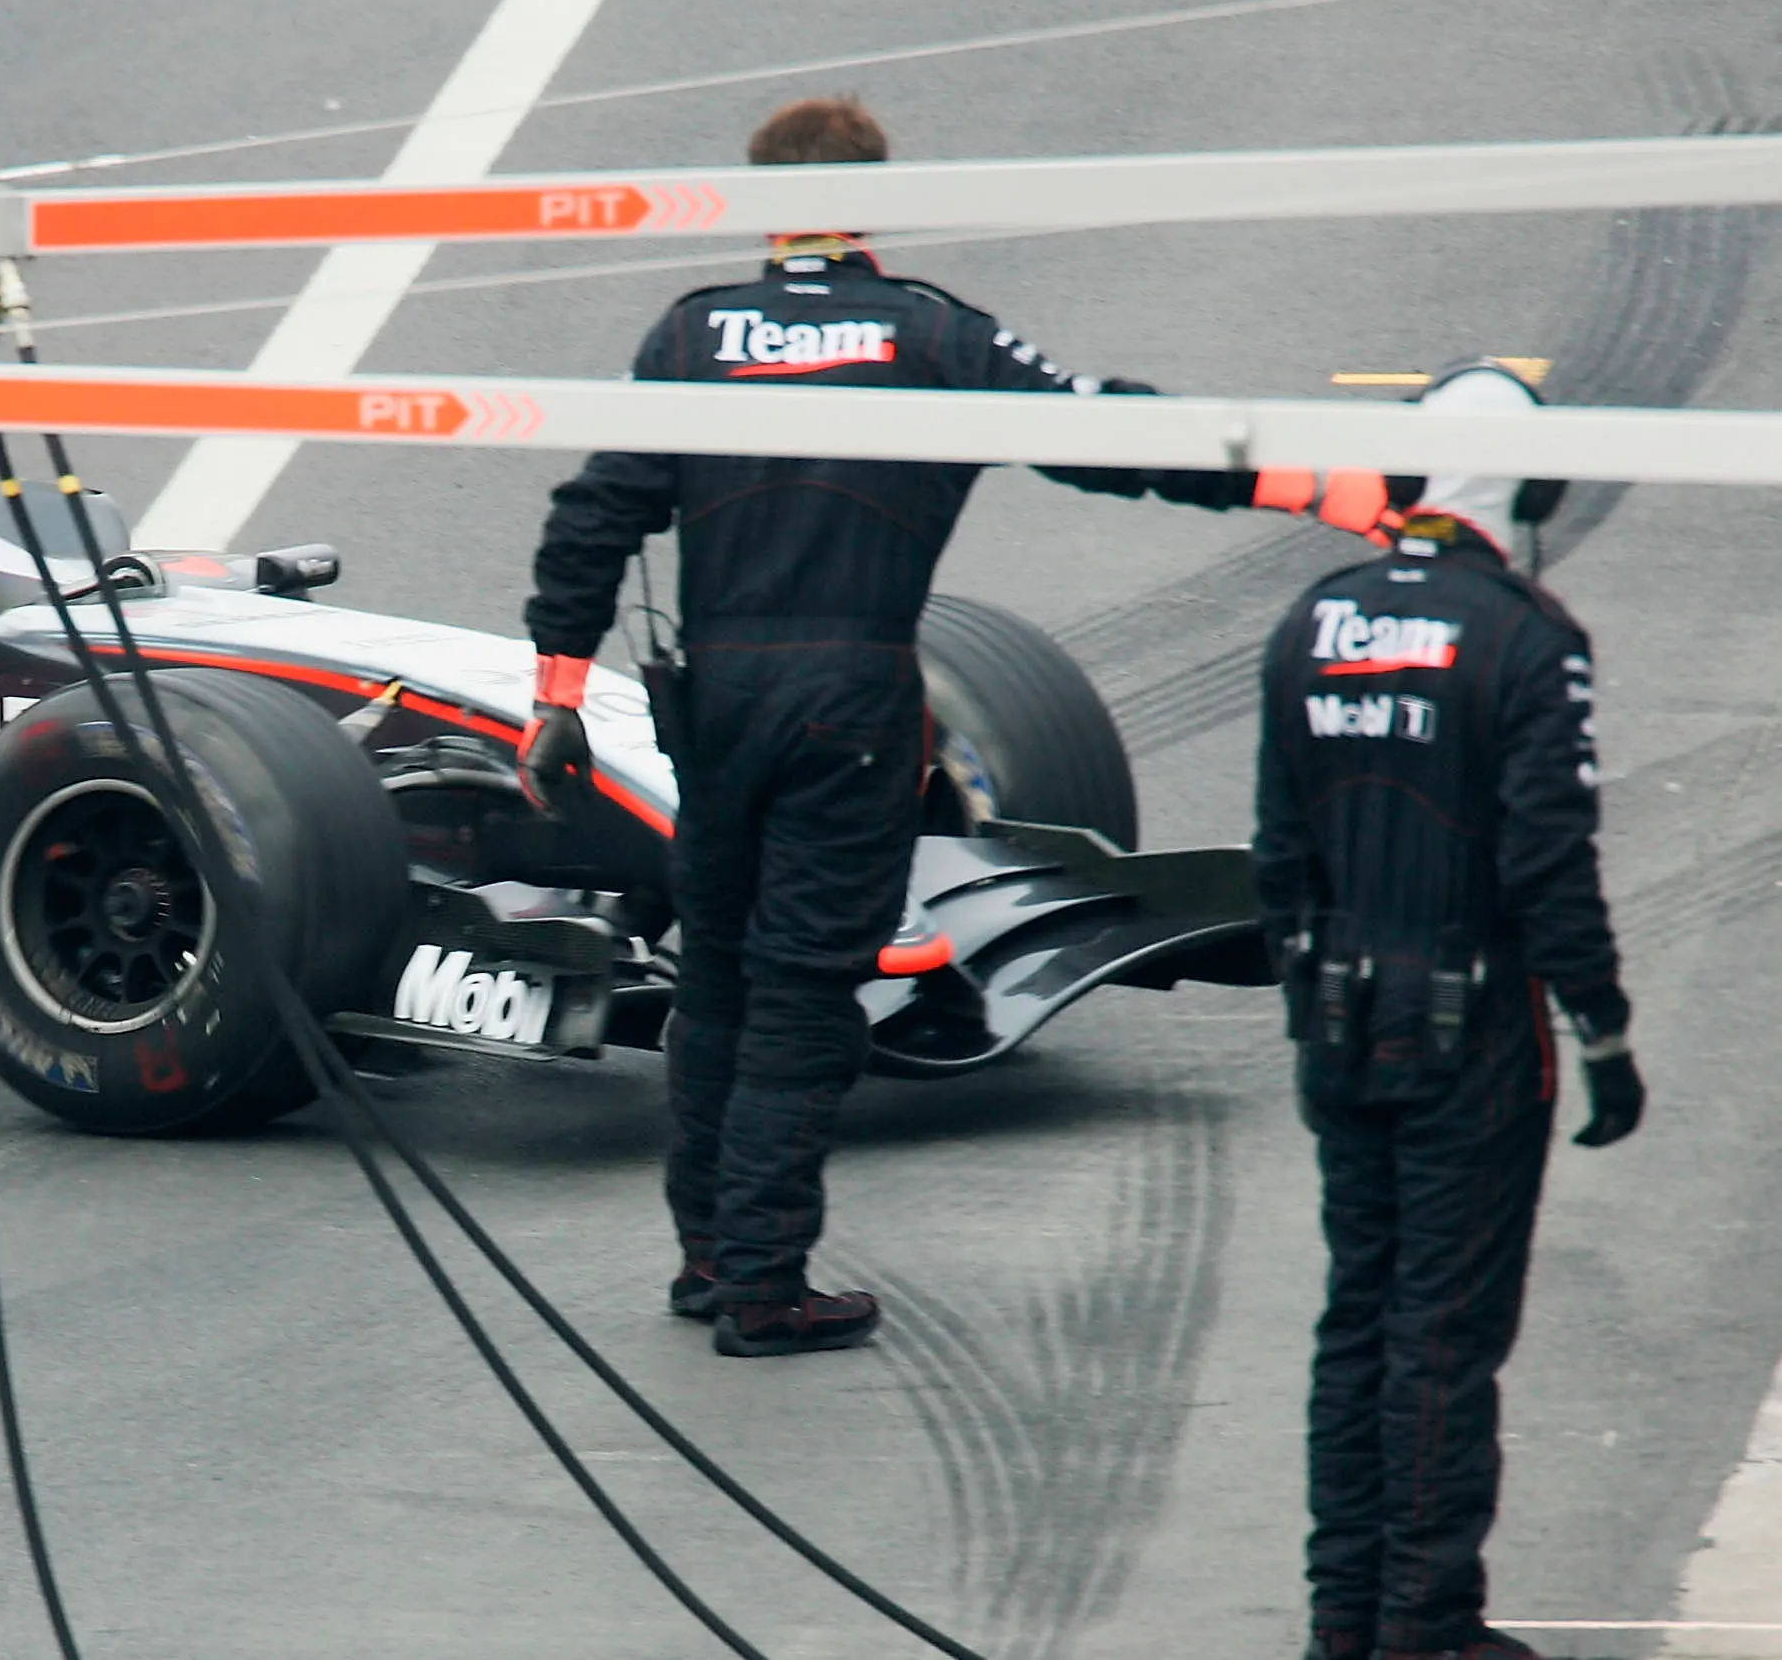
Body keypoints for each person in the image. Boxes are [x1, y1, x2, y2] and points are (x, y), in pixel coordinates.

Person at [519, 94, 1335, 1358]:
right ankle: (764, 1284)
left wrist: (558, 697)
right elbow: (1105, 435)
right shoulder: (931, 333)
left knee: (720, 973)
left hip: (717, 704)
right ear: (873, 204)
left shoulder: (689, 335)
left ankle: (710, 1253)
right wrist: (1307, 481)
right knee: (806, 986)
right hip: (849, 704)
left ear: (760, 207)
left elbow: (591, 521)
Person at [1253, 368, 1639, 1660]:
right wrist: (1603, 1027)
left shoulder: (1312, 618)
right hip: (1470, 1036)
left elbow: (1276, 854)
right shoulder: (1528, 635)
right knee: (1442, 1332)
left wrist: (1313, 993)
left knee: (1357, 1319)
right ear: (1533, 489)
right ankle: (1425, 1626)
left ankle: (1344, 1618)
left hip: (1337, 1022)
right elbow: (1548, 863)